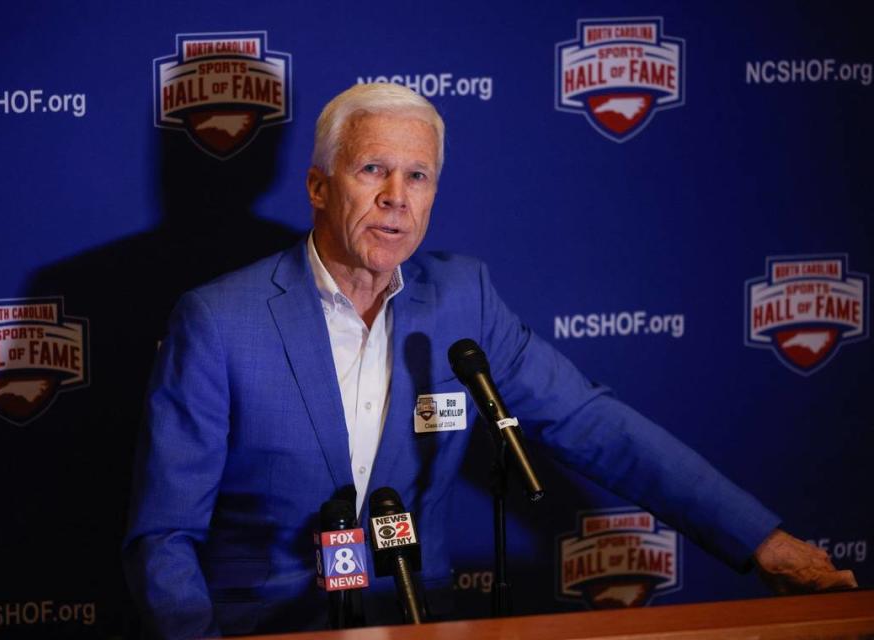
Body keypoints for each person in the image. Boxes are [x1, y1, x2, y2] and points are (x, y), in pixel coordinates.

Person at [123, 83, 856, 639]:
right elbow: (164, 537)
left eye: (418, 177)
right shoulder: (218, 320)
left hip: (422, 616)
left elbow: (590, 421)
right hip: (270, 627)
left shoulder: (460, 299)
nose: (395, 199)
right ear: (318, 186)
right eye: (372, 169)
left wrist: (763, 540)